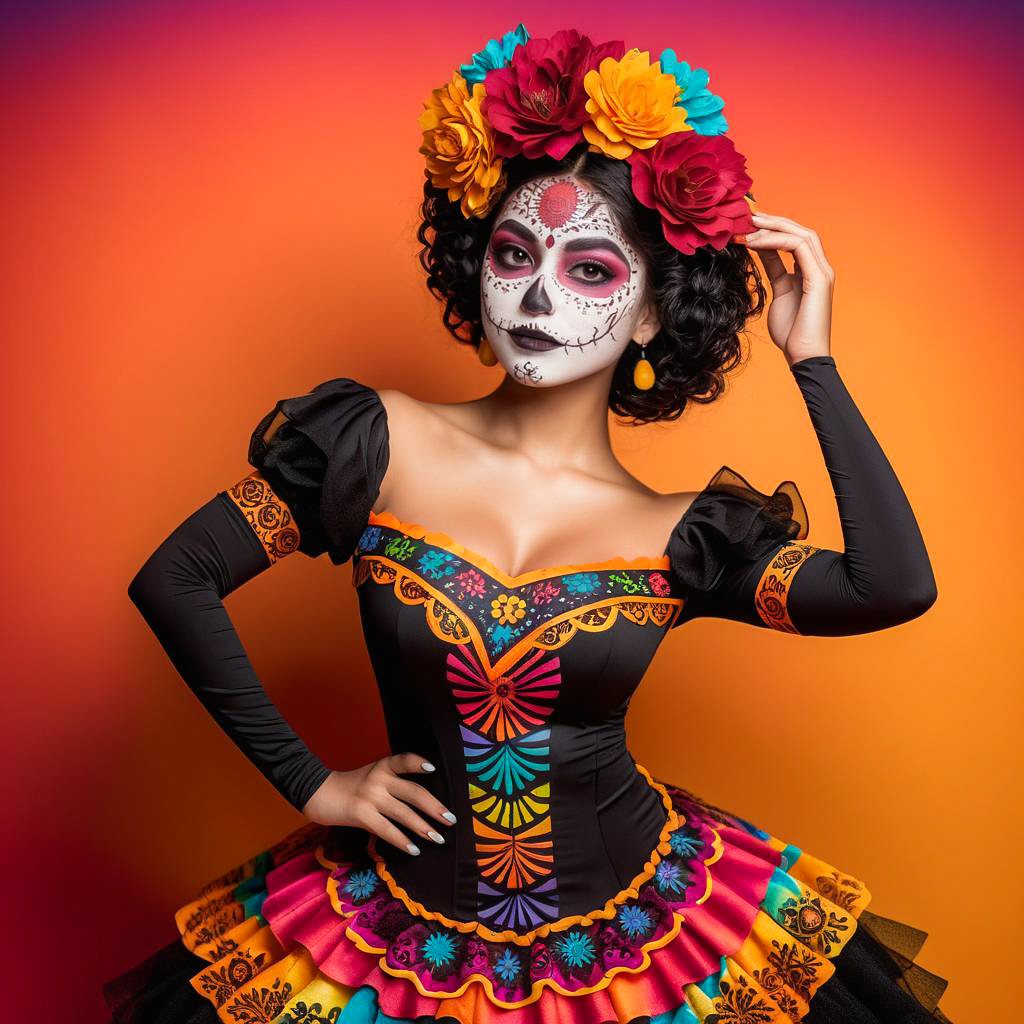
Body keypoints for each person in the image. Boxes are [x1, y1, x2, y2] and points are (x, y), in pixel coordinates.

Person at [102, 24, 954, 1024]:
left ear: (648, 315)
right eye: (514, 253)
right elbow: (177, 575)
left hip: (649, 946)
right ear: (477, 267)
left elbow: (890, 585)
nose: (539, 294)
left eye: (591, 270)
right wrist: (311, 782)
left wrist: (811, 359)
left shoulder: (689, 535)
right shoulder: (371, 443)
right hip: (386, 937)